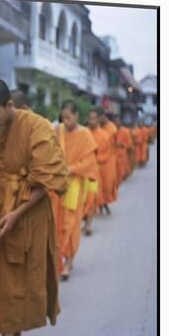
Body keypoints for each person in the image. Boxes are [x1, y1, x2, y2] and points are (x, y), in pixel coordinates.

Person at [0, 79, 67, 336]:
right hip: (4, 212)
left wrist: (17, 214)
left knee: (25, 282)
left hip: (32, 212)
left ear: (10, 105)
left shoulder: (37, 126)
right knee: (4, 283)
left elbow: (48, 179)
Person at [54, 101, 99, 280]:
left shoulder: (85, 134)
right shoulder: (59, 132)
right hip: (58, 185)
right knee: (58, 223)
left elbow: (89, 162)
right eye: (63, 118)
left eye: (69, 117)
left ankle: (67, 261)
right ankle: (61, 259)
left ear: (77, 116)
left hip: (74, 185)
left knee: (70, 224)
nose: (66, 121)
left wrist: (71, 169)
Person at [83, 109, 110, 236]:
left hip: (94, 172)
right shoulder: (82, 133)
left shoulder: (104, 136)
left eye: (94, 118)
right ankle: (84, 220)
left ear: (99, 119)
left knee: (92, 198)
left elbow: (105, 155)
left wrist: (92, 160)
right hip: (81, 171)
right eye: (90, 118)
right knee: (81, 199)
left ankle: (88, 224)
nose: (91, 121)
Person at [97, 110, 119, 215]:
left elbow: (116, 144)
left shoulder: (112, 129)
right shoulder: (97, 128)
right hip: (96, 161)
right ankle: (101, 206)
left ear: (103, 116)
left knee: (107, 184)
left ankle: (104, 205)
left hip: (109, 161)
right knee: (98, 185)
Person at [113, 116, 133, 181]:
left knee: (123, 170)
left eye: (117, 121)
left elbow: (129, 143)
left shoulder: (125, 131)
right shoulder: (112, 131)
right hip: (114, 154)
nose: (116, 123)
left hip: (122, 154)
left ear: (120, 122)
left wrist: (122, 144)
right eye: (115, 122)